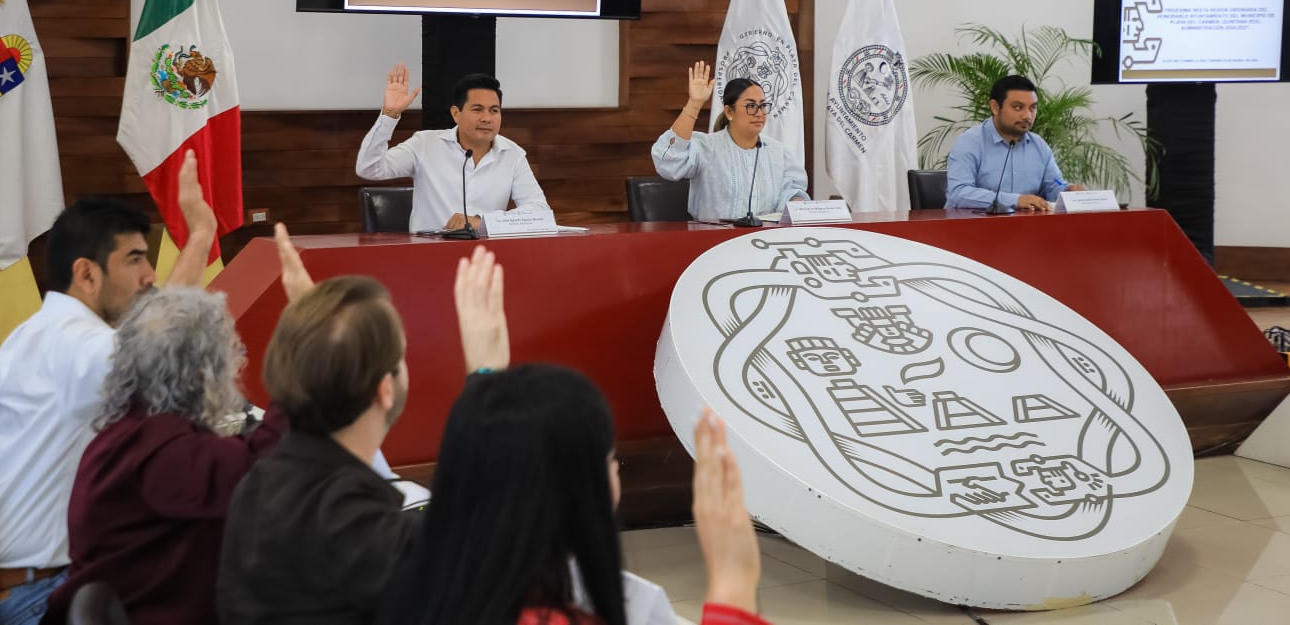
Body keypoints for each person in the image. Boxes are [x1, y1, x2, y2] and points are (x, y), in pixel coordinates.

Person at [0, 153, 217, 625]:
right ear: (87, 273)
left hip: (13, 585)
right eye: (135, 260)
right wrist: (199, 237)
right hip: (40, 598)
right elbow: (164, 336)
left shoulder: (34, 333)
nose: (149, 275)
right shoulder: (79, 346)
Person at [217, 240, 511, 624]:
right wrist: (487, 380)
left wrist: (315, 345)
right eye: (401, 357)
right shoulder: (359, 527)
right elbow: (481, 566)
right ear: (385, 390)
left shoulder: (260, 483)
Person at [40, 242, 316, 625]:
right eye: (231, 354)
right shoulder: (163, 451)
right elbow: (265, 470)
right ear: (203, 373)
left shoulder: (132, 429)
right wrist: (310, 339)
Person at [375, 367, 769, 625]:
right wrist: (733, 581)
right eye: (610, 460)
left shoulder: (399, 588)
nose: (616, 471)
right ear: (579, 490)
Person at [356, 66, 548, 232]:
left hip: (484, 258)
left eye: (494, 110)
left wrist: (483, 222)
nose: (486, 118)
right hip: (429, 257)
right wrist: (390, 115)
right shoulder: (424, 144)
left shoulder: (512, 154)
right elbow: (369, 168)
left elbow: (540, 212)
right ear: (456, 114)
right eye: (477, 109)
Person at [652, 61, 808, 222]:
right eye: (751, 106)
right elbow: (668, 161)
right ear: (729, 111)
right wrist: (694, 104)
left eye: (762, 106)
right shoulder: (706, 147)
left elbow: (792, 191)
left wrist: (795, 203)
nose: (759, 113)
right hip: (712, 240)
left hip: (764, 240)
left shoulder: (779, 153)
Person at [944, 74, 1082, 212]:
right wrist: (1015, 200)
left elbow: (1052, 187)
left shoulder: (1039, 146)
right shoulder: (969, 143)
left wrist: (1068, 192)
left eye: (1032, 108)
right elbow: (959, 194)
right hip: (974, 228)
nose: (1027, 116)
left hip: (1025, 228)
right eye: (1017, 107)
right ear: (995, 107)